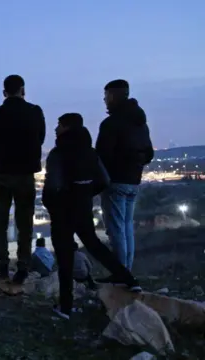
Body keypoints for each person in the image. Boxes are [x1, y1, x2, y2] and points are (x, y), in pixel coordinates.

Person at [43, 113, 141, 320]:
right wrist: (85, 194)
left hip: (62, 209)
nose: (56, 129)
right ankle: (128, 279)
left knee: (64, 257)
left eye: (59, 124)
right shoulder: (90, 152)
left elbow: (53, 186)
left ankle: (65, 307)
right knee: (94, 244)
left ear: (68, 127)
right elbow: (104, 180)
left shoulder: (58, 153)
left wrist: (50, 204)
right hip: (82, 206)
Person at [0, 75, 46, 284]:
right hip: (25, 174)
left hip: (2, 173)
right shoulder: (35, 112)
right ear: (23, 90)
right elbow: (41, 137)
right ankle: (23, 266)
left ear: (4, 92)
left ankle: (2, 262)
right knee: (24, 222)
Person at [96, 79, 154, 272]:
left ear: (112, 96)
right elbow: (149, 153)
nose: (104, 100)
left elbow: (101, 156)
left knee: (116, 230)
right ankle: (126, 271)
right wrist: (134, 165)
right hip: (133, 181)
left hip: (115, 182)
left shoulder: (111, 124)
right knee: (127, 228)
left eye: (106, 96)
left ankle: (121, 273)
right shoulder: (141, 124)